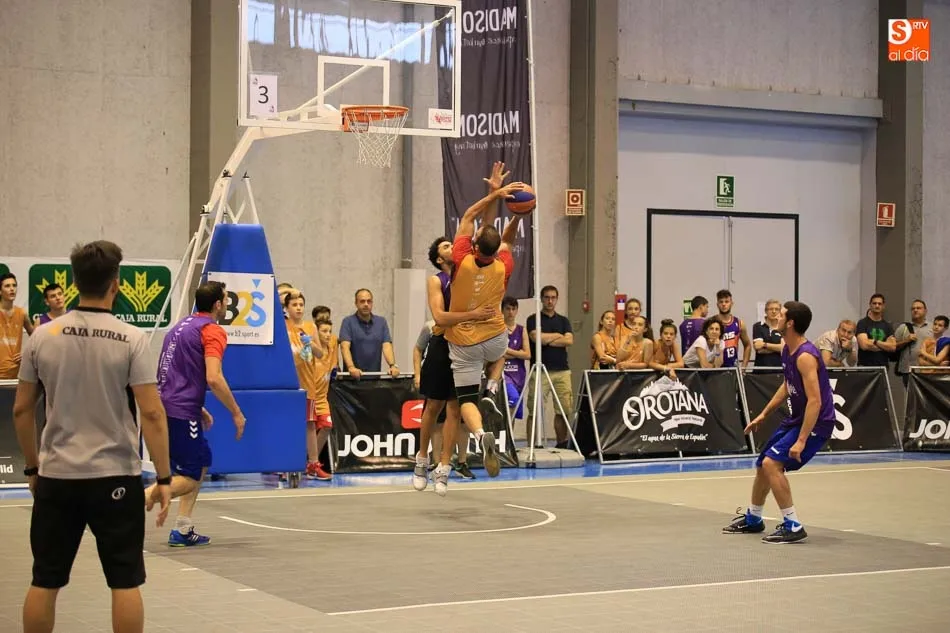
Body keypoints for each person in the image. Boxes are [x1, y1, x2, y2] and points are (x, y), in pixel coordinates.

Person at [12, 240, 172, 633]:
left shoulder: (43, 337)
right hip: (114, 477)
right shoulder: (132, 339)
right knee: (125, 580)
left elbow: (21, 409)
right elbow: (151, 412)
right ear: (115, 283)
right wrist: (165, 477)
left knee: (44, 579)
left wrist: (33, 467)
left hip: (57, 476)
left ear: (74, 281)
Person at [434, 162, 526, 497]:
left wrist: (495, 195)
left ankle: (479, 434)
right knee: (498, 352)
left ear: (472, 246)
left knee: (464, 400)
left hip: (465, 342)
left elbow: (470, 216)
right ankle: (493, 386)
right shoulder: (502, 266)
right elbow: (506, 241)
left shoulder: (462, 260)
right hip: (496, 338)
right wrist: (517, 213)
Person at [723, 301, 836, 544]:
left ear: (791, 323)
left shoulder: (806, 356)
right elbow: (788, 385)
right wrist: (763, 414)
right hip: (797, 418)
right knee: (763, 464)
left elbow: (815, 401)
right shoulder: (787, 348)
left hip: (817, 422)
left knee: (772, 463)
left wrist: (802, 440)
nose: (777, 318)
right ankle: (754, 519)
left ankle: (793, 525)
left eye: (782, 315)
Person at [146, 281, 246, 547]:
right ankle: (134, 501)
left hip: (169, 404)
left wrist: (197, 406)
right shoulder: (212, 331)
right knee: (189, 479)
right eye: (225, 300)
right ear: (217, 305)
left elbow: (170, 372)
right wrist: (236, 413)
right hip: (179, 410)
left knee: (201, 461)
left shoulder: (179, 327)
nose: (226, 304)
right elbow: (214, 378)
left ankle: (182, 528)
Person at [412, 236, 495, 491]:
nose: (453, 248)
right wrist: (472, 315)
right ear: (439, 258)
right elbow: (440, 317)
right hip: (441, 346)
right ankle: (422, 458)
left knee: (455, 409)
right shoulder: (436, 280)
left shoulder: (469, 275)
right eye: (446, 246)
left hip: (465, 346)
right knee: (432, 407)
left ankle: (444, 467)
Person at [285, 291, 334, 481]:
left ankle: (313, 464)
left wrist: (311, 344)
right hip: (288, 383)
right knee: (288, 423)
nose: (298, 308)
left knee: (310, 424)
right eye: (294, 304)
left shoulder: (310, 327)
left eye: (301, 304)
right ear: (287, 308)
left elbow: (320, 354)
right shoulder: (283, 326)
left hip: (307, 384)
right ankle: (284, 462)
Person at [526, 285, 575, 449]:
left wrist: (546, 339)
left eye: (553, 297)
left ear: (557, 299)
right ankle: (532, 444)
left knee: (563, 410)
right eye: (547, 297)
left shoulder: (563, 320)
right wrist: (557, 336)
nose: (550, 300)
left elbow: (569, 341)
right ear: (542, 299)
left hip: (562, 371)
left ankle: (561, 443)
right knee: (535, 410)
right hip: (540, 371)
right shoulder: (534, 319)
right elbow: (535, 338)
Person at [339, 289, 399, 378]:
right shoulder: (347, 322)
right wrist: (351, 367)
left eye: (369, 301)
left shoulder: (381, 322)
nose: (366, 304)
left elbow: (386, 346)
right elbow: (344, 347)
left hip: (374, 381)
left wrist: (392, 365)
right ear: (356, 303)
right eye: (362, 301)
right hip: (352, 382)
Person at [1, 272, 35, 379]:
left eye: (14, 285)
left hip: (15, 375)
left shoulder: (22, 313)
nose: (12, 289)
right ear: (0, 291)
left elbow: (37, 339)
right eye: (7, 286)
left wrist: (26, 353)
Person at [715, 289, 751, 369]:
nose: (724, 304)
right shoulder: (711, 323)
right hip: (714, 369)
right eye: (721, 302)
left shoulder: (739, 323)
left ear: (731, 303)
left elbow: (747, 345)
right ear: (717, 304)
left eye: (727, 301)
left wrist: (744, 367)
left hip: (733, 369)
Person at [752, 300, 784, 368]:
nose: (774, 311)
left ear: (780, 312)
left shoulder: (784, 328)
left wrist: (764, 344)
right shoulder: (758, 326)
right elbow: (759, 349)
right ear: (766, 311)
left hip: (780, 370)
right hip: (761, 371)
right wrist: (778, 348)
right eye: (771, 309)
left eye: (777, 309)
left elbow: (784, 348)